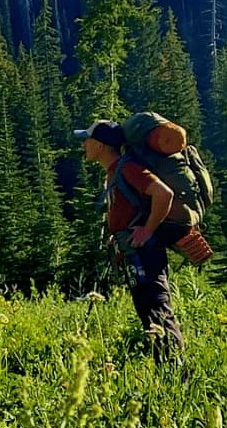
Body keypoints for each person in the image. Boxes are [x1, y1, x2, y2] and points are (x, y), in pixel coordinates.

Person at [78, 119, 185, 358]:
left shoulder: (127, 168)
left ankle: (176, 373)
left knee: (158, 312)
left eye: (87, 139)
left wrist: (147, 230)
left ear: (101, 145)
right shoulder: (115, 171)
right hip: (134, 253)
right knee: (149, 314)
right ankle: (167, 371)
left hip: (146, 253)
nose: (84, 144)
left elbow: (163, 194)